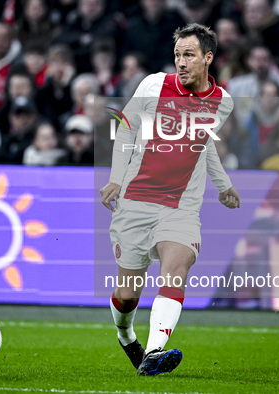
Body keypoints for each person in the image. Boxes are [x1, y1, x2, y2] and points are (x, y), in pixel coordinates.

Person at [100, 23, 239, 376]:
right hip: (136, 201)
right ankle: (126, 334)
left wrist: (223, 185)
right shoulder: (153, 85)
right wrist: (116, 178)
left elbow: (203, 144)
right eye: (177, 55)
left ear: (208, 58)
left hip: (180, 207)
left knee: (176, 271)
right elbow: (126, 127)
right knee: (128, 294)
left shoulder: (223, 101)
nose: (180, 62)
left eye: (188, 55)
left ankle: (153, 353)